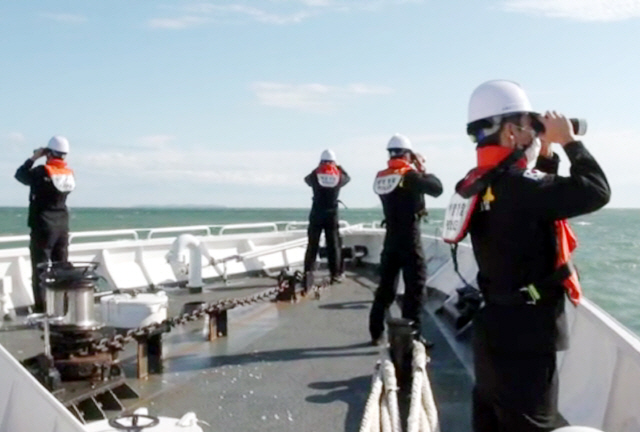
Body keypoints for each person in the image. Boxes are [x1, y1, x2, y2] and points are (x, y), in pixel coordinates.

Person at [448, 80, 610, 431]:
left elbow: (535, 207)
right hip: (527, 334)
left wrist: (546, 154)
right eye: (527, 125)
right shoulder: (518, 186)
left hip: (494, 326)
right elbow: (596, 191)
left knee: (492, 419)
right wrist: (569, 141)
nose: (532, 134)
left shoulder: (478, 183)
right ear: (510, 131)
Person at [369, 134, 443, 345]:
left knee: (386, 287)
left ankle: (375, 332)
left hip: (391, 238)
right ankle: (413, 337)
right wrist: (422, 168)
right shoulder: (409, 177)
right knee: (415, 288)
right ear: (408, 154)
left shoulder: (381, 176)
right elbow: (437, 188)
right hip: (410, 238)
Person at [15, 136, 76, 313]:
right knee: (61, 267)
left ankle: (42, 309)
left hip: (43, 225)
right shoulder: (69, 174)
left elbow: (20, 175)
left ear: (48, 153)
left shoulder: (42, 171)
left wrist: (34, 157)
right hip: (62, 225)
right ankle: (64, 306)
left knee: (41, 268)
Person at [303, 149, 350, 285]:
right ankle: (335, 274)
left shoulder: (315, 175)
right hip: (332, 214)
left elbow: (307, 180)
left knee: (313, 244)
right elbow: (348, 177)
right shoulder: (339, 176)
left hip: (316, 212)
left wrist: (319, 168)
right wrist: (338, 166)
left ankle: (308, 272)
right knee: (333, 244)